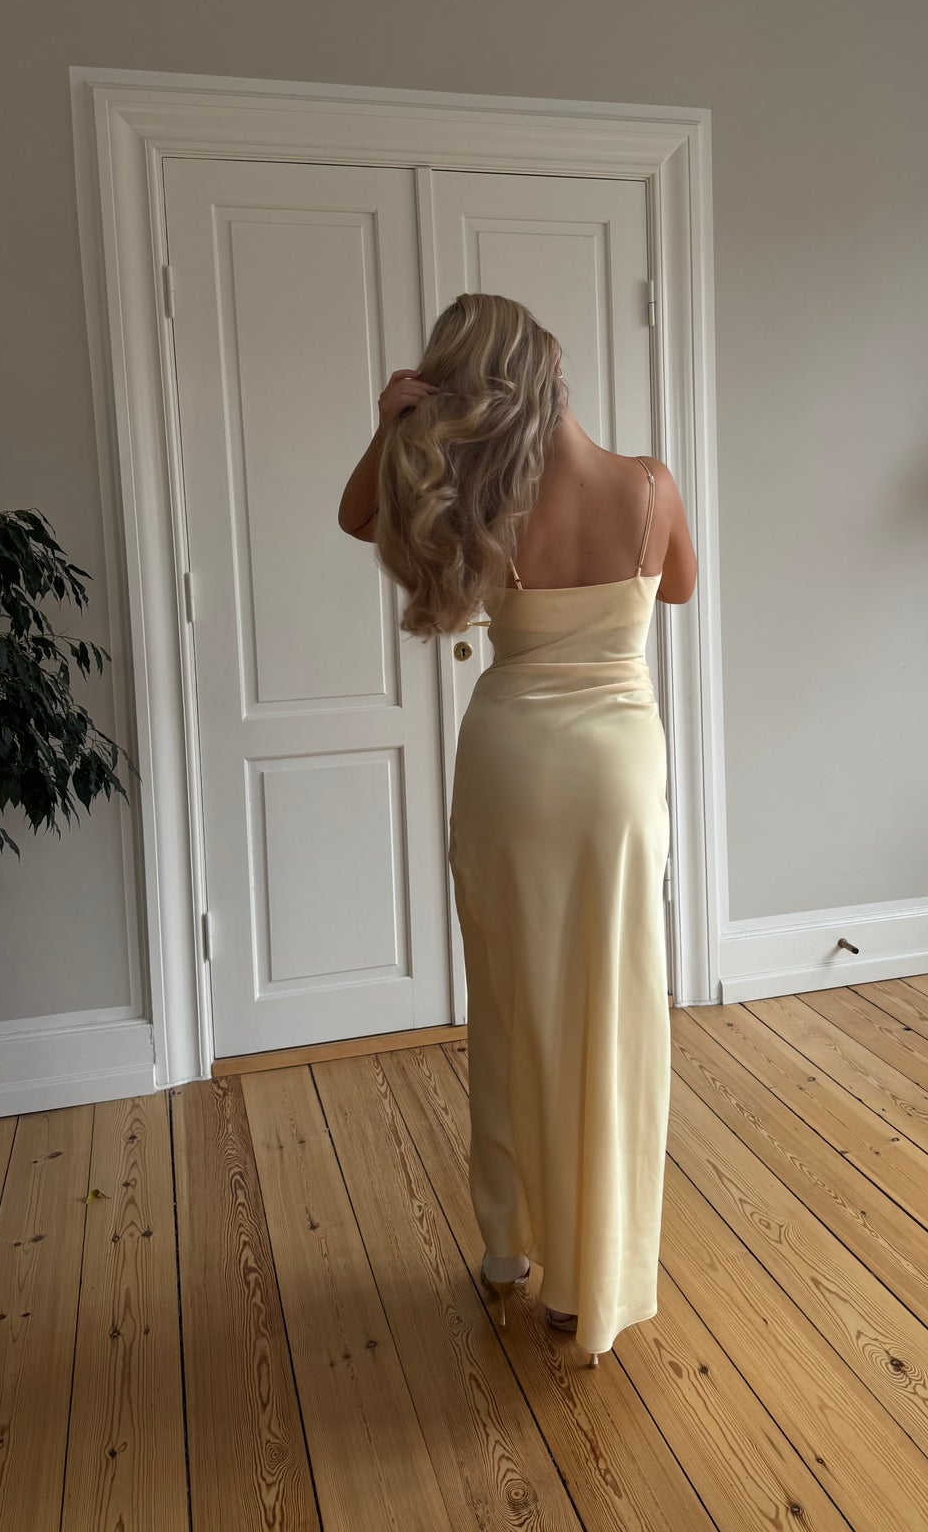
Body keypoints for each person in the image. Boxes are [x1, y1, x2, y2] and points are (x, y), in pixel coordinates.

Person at [338, 292, 697, 1367]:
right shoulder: (649, 486)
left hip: (507, 763)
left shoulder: (479, 500)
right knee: (616, 1009)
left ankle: (510, 1250)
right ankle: (593, 1282)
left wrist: (392, 422)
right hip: (617, 771)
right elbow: (679, 589)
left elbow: (358, 517)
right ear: (554, 368)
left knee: (510, 1004)